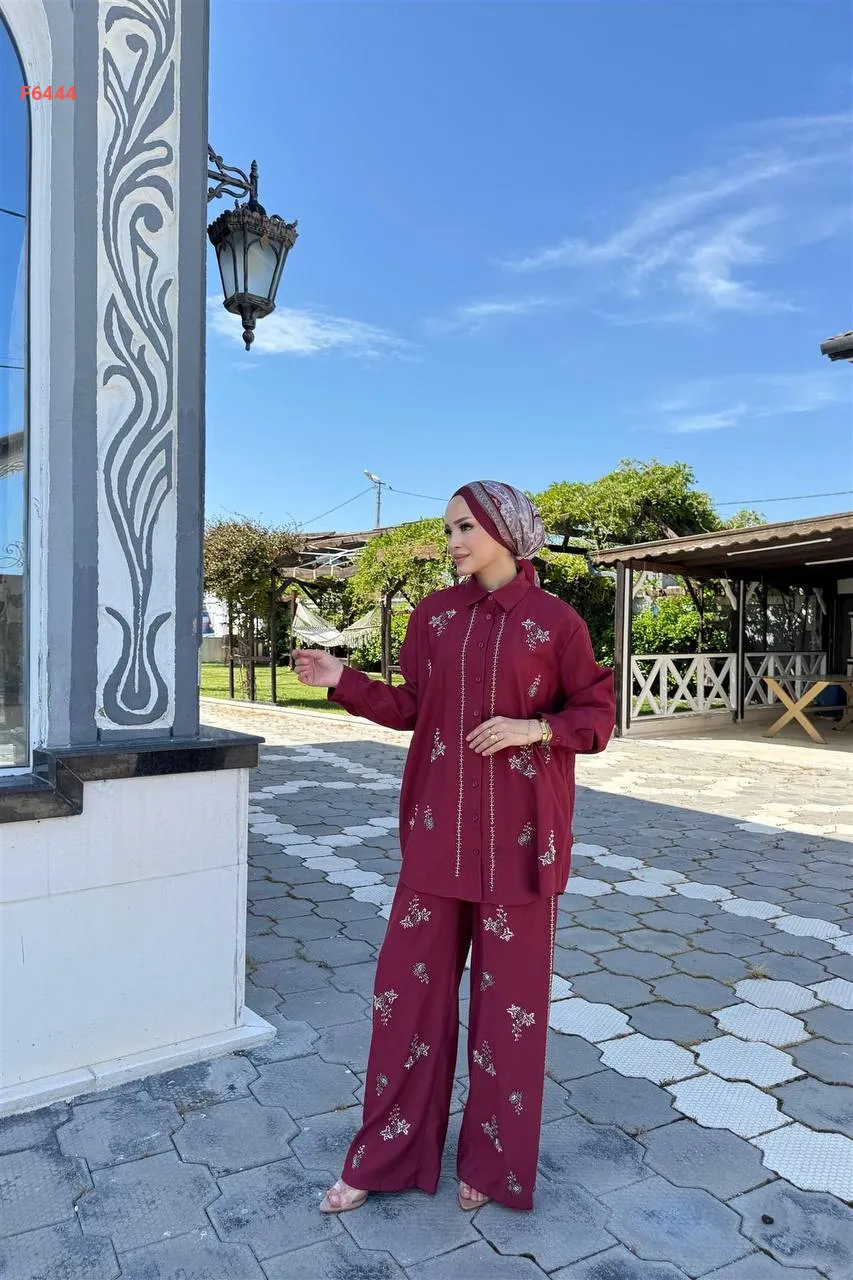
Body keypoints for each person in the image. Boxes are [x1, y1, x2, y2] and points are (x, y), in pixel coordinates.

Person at [292, 480, 615, 1215]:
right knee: (404, 1002)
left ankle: (493, 1162)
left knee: (510, 1014)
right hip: (438, 840)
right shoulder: (434, 616)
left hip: (519, 848)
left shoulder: (556, 623)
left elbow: (597, 714)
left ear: (506, 530)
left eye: (465, 527)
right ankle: (386, 1157)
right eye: (449, 530)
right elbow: (414, 707)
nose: (453, 542)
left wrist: (535, 729)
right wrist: (344, 680)